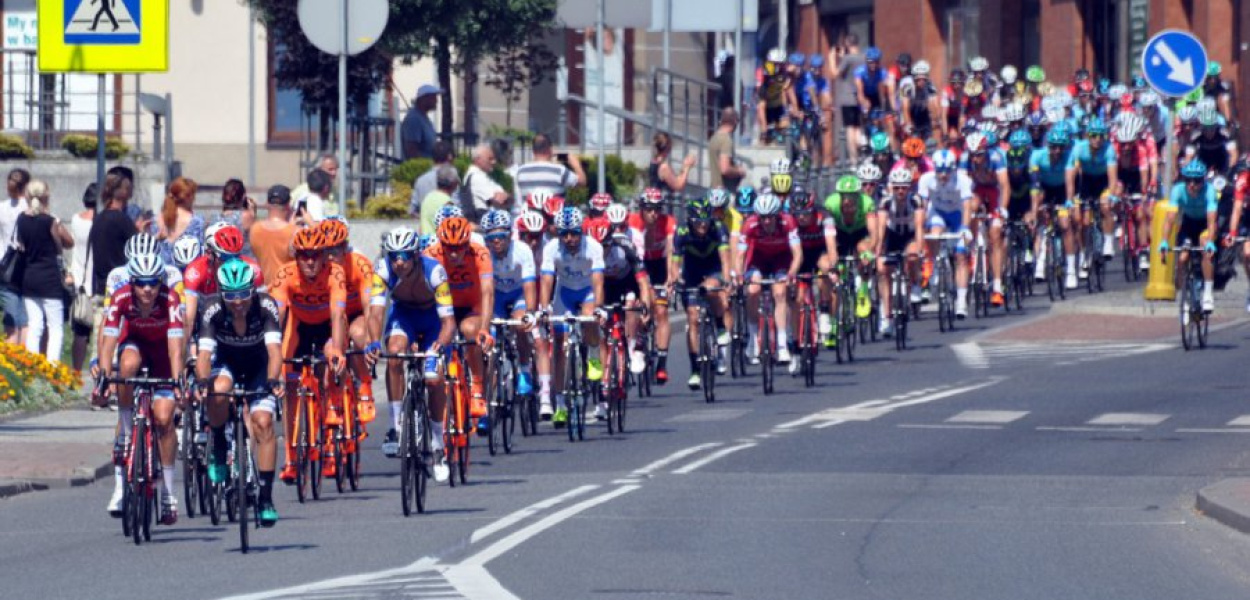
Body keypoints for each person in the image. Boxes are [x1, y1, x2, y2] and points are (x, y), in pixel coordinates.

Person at [195, 259, 283, 526]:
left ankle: (266, 497)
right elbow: (205, 355)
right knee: (218, 391)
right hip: (227, 363)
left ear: (252, 291)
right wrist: (201, 382)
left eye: (243, 293)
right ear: (222, 293)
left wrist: (272, 379)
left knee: (263, 423)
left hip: (259, 366)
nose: (237, 301)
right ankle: (219, 443)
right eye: (230, 295)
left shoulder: (266, 306)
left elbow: (275, 352)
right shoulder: (211, 309)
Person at [98, 253, 184, 523]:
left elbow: (174, 346)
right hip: (135, 346)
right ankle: (125, 427)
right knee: (127, 364)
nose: (147, 289)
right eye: (141, 283)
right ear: (132, 282)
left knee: (163, 419)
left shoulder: (170, 299)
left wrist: (178, 378)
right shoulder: (121, 297)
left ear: (160, 282)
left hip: (163, 358)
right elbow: (109, 338)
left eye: (153, 283)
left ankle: (168, 492)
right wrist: (103, 372)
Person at [372, 226, 456, 481]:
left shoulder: (435, 271)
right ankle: (396, 426)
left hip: (434, 322)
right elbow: (375, 312)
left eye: (405, 256)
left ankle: (438, 440)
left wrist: (438, 345)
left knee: (432, 377)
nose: (398, 261)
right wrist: (374, 343)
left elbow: (449, 323)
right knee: (395, 353)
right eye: (394, 254)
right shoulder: (383, 268)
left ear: (416, 255)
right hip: (404, 316)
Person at [270, 227, 348, 483]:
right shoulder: (286, 274)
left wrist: (336, 350)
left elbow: (338, 315)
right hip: (300, 327)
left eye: (315, 255)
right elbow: (277, 316)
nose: (310, 262)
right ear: (296, 256)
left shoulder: (335, 273)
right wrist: (272, 358)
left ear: (325, 255)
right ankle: (291, 458)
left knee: (329, 363)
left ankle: (330, 436)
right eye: (304, 256)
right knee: (289, 385)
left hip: (327, 327)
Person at [424, 216, 495, 424]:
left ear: (467, 243)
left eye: (459, 247)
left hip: (470, 306)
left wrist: (485, 328)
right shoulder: (429, 255)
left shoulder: (480, 253)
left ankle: (477, 386)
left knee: (471, 332)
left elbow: (488, 291)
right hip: (441, 309)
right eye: (448, 247)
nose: (454, 253)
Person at [539, 207, 604, 425]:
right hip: (564, 293)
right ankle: (559, 404)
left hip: (587, 291)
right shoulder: (551, 249)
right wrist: (543, 308)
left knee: (589, 316)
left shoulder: (593, 247)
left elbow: (597, 280)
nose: (569, 239)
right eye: (564, 234)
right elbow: (547, 279)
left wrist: (599, 307)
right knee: (558, 345)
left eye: (574, 233)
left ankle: (593, 355)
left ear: (581, 231)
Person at [671, 199, 731, 388]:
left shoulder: (718, 228)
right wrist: (675, 280)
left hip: (713, 268)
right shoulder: (682, 232)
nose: (703, 226)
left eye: (705, 221)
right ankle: (695, 369)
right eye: (698, 222)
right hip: (692, 271)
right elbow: (675, 263)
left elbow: (725, 258)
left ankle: (720, 325)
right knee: (692, 319)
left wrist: (727, 280)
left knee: (711, 288)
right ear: (690, 221)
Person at [738, 192, 801, 365]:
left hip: (781, 259)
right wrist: (739, 275)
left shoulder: (788, 222)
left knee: (780, 292)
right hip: (758, 260)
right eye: (763, 218)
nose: (766, 222)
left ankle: (782, 345)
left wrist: (792, 273)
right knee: (753, 290)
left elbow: (797, 253)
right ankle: (752, 338)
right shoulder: (750, 224)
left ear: (777, 215)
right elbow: (741, 254)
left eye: (770, 218)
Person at [16, 180, 73, 361]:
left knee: (35, 326)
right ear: (45, 197)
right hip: (49, 279)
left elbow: (22, 244)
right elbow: (65, 243)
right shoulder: (50, 221)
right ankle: (52, 368)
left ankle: (33, 368)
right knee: (55, 327)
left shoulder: (21, 219)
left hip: (29, 277)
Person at [629, 189, 677, 383]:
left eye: (657, 209)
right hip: (639, 265)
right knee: (636, 305)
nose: (653, 214)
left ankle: (662, 364)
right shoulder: (633, 222)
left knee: (662, 310)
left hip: (658, 266)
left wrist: (671, 277)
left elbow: (671, 251)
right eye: (649, 209)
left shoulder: (668, 222)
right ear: (641, 209)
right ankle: (638, 338)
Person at [1162, 160, 1219, 312]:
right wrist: (1164, 242)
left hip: (1205, 225)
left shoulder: (1210, 191)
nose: (1192, 184)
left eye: (1197, 180)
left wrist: (1211, 242)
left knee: (1205, 246)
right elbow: (1170, 219)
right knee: (1182, 258)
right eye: (1188, 180)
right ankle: (1184, 297)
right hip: (1188, 224)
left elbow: (1212, 220)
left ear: (1203, 180)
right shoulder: (1178, 190)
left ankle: (1207, 293)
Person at [89, 168, 142, 313]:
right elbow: (140, 248)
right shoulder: (121, 219)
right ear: (125, 191)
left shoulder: (99, 218)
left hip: (101, 286)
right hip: (119, 286)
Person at [510, 134, 586, 207]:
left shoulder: (521, 171)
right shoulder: (560, 171)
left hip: (529, 217)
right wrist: (573, 161)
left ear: (533, 151)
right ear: (550, 149)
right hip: (553, 218)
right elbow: (582, 182)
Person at [69, 183, 97, 372]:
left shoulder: (75, 220)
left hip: (79, 282)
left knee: (80, 333)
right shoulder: (99, 222)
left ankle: (76, 372)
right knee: (99, 332)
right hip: (95, 282)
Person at [1, 167, 30, 344]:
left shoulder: (2, 208)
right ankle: (27, 361)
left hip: (5, 268)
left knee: (11, 319)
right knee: (26, 320)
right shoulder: (30, 208)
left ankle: (10, 362)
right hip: (27, 267)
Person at [249, 184, 298, 284]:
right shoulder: (294, 231)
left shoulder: (255, 229)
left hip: (262, 287)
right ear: (288, 205)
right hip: (286, 288)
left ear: (267, 204)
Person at [150, 176, 203, 266]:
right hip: (187, 273)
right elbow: (200, 251)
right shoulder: (196, 221)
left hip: (161, 273)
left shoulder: (156, 219)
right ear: (189, 197)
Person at [831, 34, 867, 164]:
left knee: (850, 128)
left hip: (847, 97)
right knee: (858, 126)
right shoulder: (863, 57)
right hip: (859, 97)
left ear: (847, 44)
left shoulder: (847, 58)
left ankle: (853, 159)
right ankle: (862, 147)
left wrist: (831, 58)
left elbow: (835, 74)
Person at [461, 144, 510, 221]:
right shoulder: (476, 177)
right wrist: (503, 197)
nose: (494, 162)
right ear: (478, 160)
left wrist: (505, 196)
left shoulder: (483, 176)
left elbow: (505, 197)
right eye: (490, 159)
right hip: (483, 224)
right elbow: (499, 201)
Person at [213, 178, 256, 257]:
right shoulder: (245, 216)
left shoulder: (216, 218)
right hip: (243, 261)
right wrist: (252, 212)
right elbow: (255, 239)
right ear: (243, 197)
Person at [411, 141, 455, 218]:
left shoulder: (420, 180)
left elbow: (413, 210)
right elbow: (457, 205)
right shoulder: (452, 176)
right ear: (449, 157)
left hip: (426, 227)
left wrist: (426, 218)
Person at [708, 108, 748, 190]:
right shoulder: (726, 140)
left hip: (714, 189)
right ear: (734, 121)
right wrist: (739, 171)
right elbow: (725, 169)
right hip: (724, 191)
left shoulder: (714, 137)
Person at [401, 84, 441, 161]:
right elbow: (412, 150)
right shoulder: (414, 119)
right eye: (433, 97)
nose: (436, 101)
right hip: (422, 168)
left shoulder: (424, 118)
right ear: (423, 99)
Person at [419, 165, 461, 236]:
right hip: (438, 244)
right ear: (453, 184)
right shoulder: (448, 203)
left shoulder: (428, 198)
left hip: (425, 243)